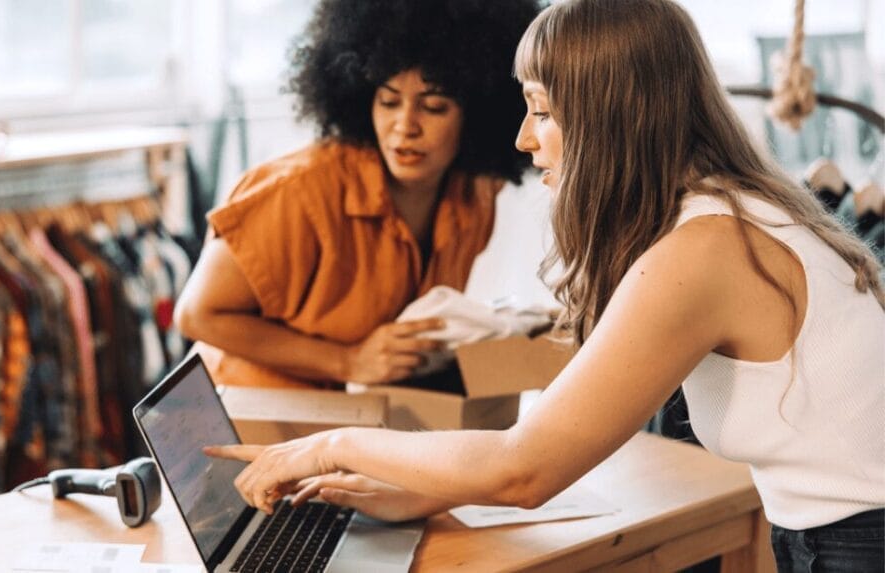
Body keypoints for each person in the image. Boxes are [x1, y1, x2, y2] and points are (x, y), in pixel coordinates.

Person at [204, 0, 885, 569]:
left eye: (544, 111)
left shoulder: (703, 249)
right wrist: (415, 489)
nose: (527, 138)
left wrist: (329, 444)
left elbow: (523, 469)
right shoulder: (733, 211)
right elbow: (573, 422)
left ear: (611, 118)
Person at [173, 0, 539, 389]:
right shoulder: (300, 192)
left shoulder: (473, 197)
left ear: (478, 113)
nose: (405, 126)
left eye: (433, 106)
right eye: (388, 101)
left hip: (343, 421)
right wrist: (347, 361)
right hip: (236, 413)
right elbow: (196, 314)